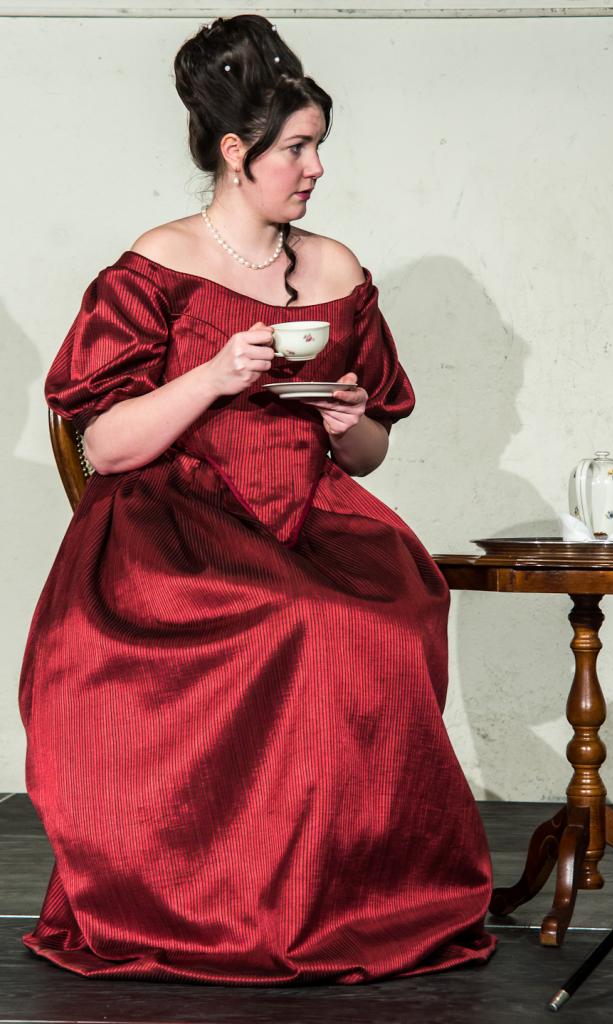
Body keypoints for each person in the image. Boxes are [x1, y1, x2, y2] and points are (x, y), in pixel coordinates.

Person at [18, 14, 496, 985]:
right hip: (175, 518)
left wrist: (348, 420)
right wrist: (212, 377)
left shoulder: (335, 270)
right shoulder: (156, 265)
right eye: (297, 148)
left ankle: (343, 891)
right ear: (237, 153)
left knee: (387, 611)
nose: (315, 168)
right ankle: (226, 897)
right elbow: (104, 443)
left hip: (310, 509)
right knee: (299, 620)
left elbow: (369, 452)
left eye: (318, 146)